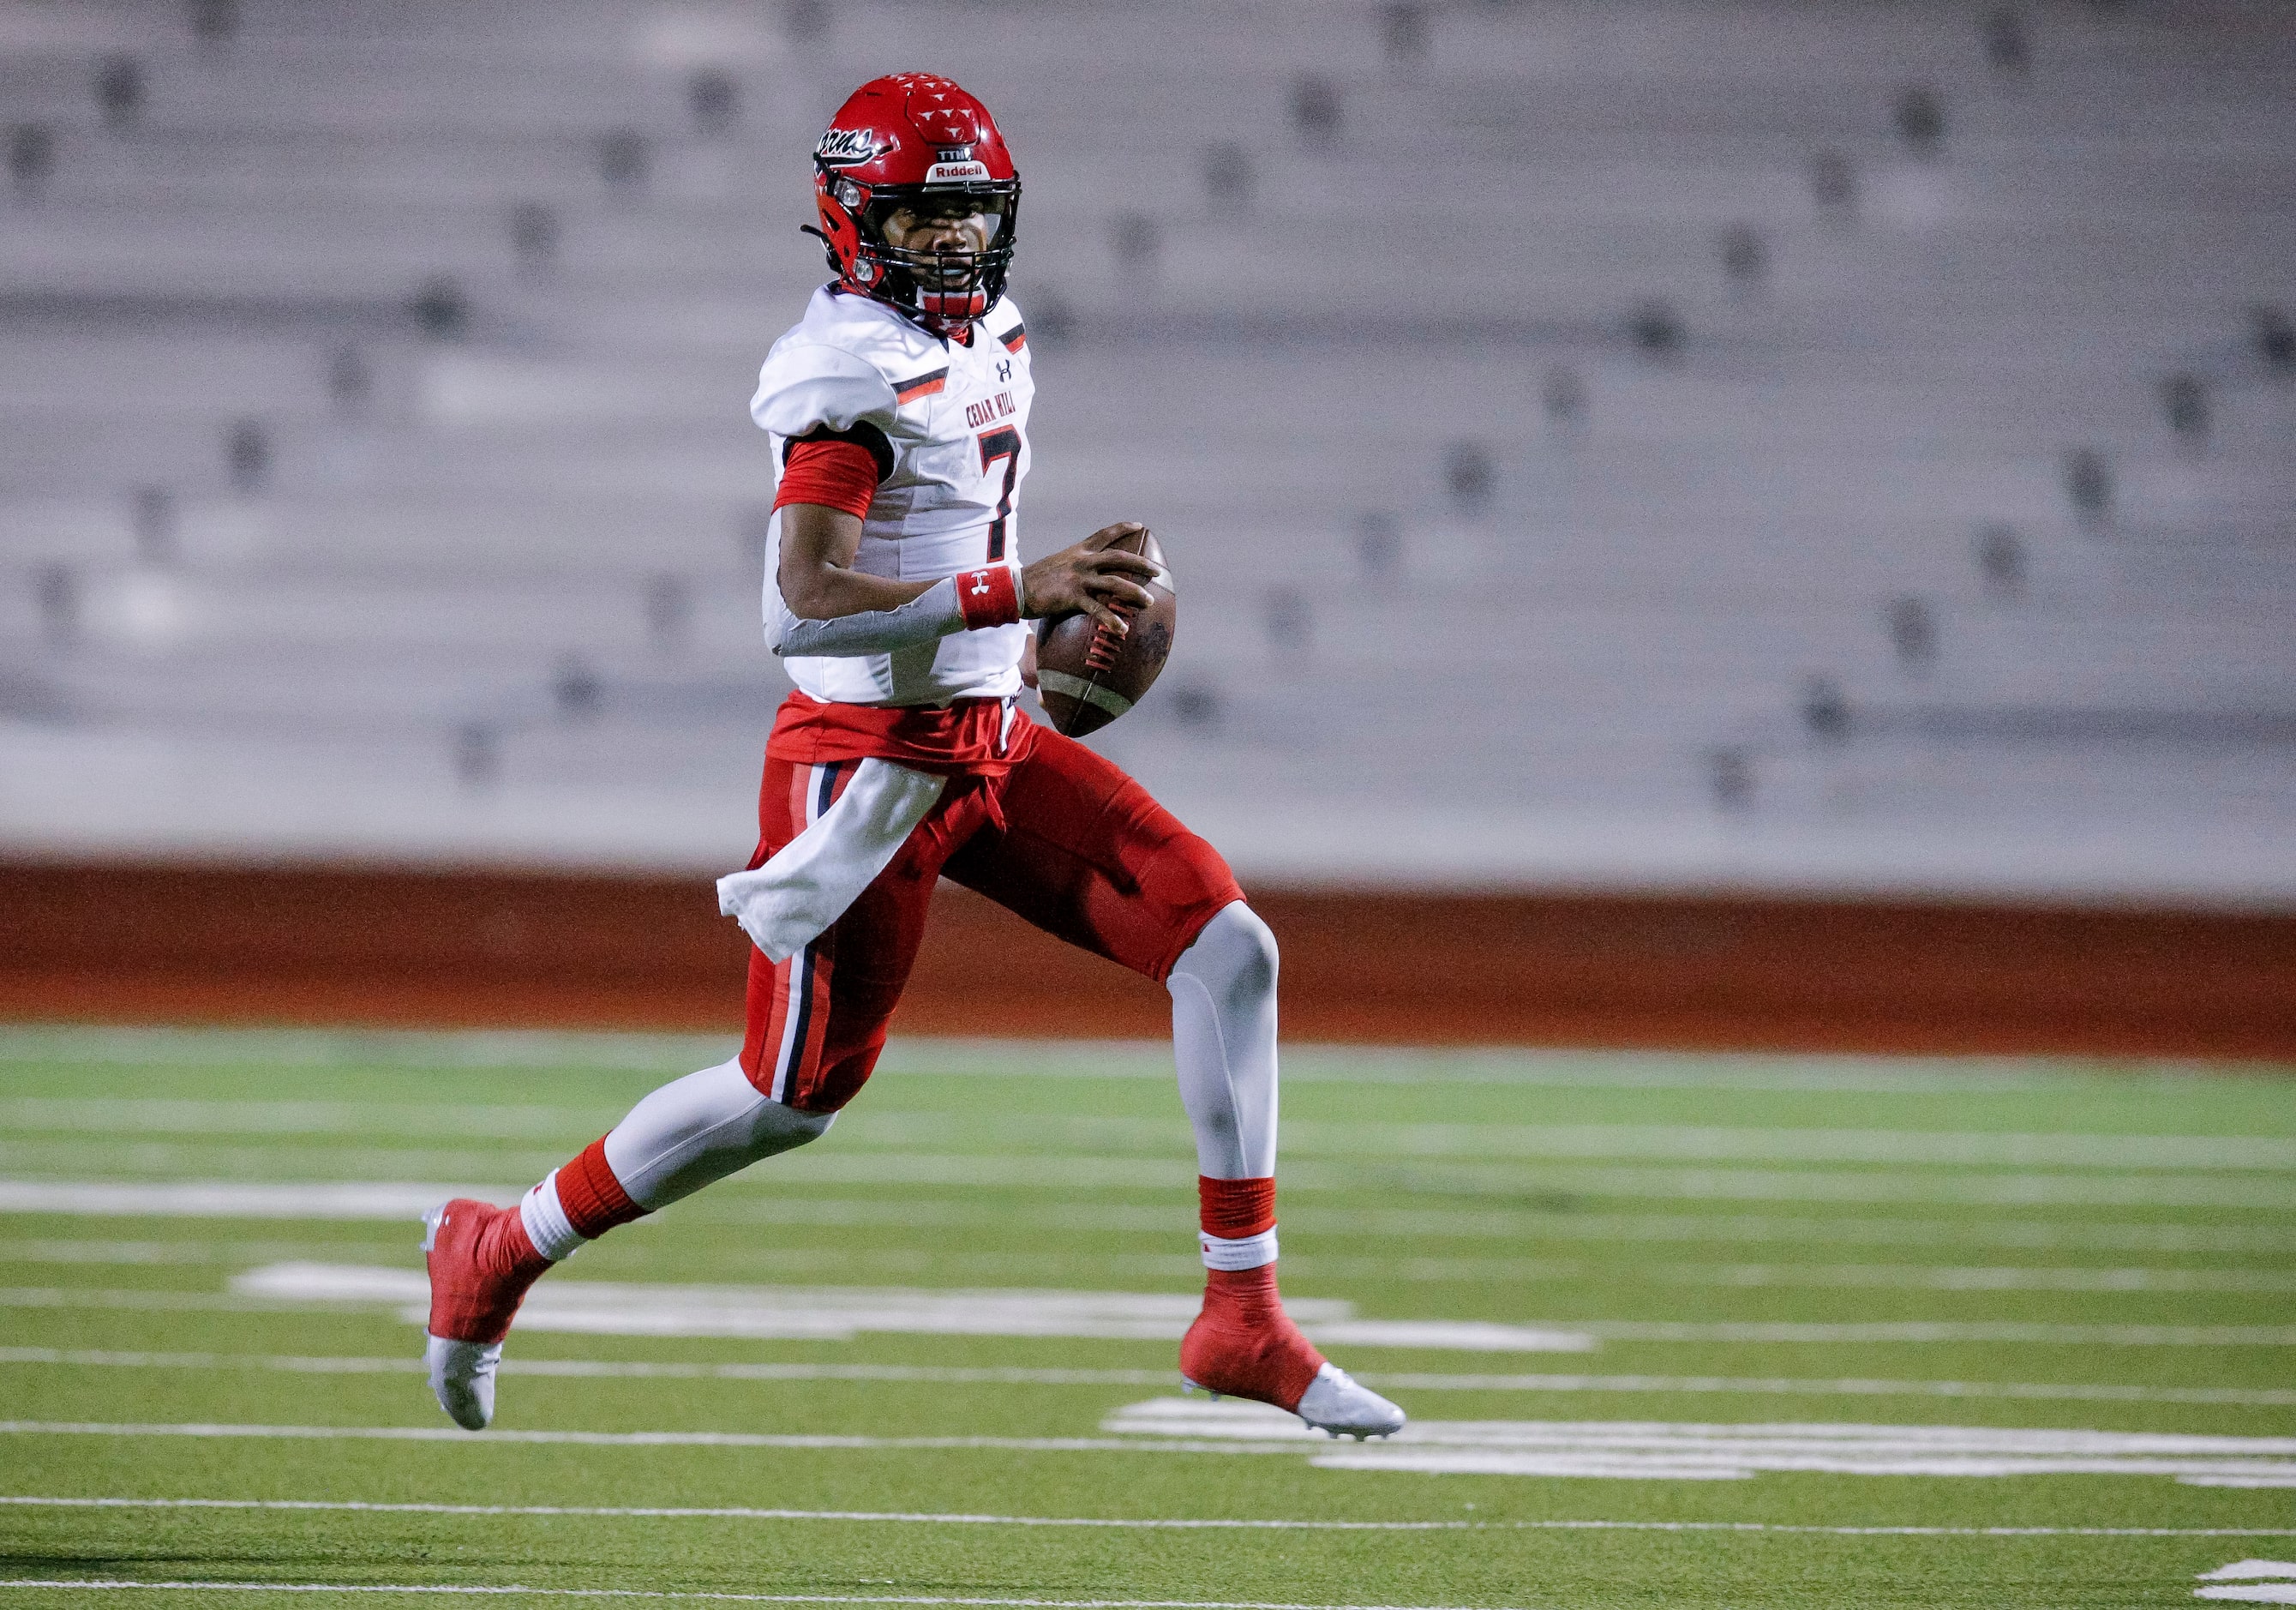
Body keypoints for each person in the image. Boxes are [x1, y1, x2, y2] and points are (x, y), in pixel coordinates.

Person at [420, 71, 1405, 1444]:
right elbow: (799, 602)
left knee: (1224, 936)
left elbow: (948, 524)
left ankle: (1242, 1313)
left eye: (968, 217)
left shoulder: (988, 329)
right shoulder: (841, 375)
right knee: (788, 1097)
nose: (951, 245)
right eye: (921, 219)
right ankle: (499, 1244)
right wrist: (1025, 588)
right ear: (848, 215)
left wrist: (1052, 615)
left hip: (985, 734)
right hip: (865, 763)